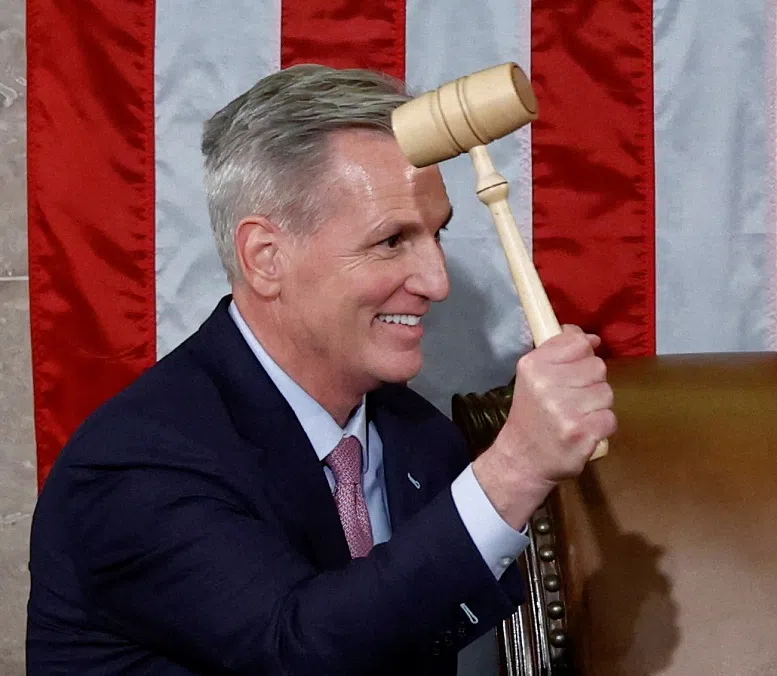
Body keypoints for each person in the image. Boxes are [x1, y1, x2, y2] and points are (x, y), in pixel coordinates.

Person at [26, 64, 616, 675]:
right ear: (266, 258)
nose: (436, 282)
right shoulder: (135, 464)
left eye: (436, 235)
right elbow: (298, 650)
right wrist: (514, 469)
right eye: (391, 241)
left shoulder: (421, 440)